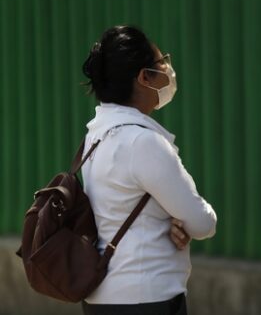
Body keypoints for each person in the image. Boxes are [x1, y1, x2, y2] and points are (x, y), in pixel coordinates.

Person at [80, 25, 217, 315]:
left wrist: (171, 220)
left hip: (101, 298)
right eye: (161, 62)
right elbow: (203, 223)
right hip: (146, 299)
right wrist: (182, 220)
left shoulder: (96, 136)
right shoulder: (143, 142)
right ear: (144, 78)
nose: (168, 68)